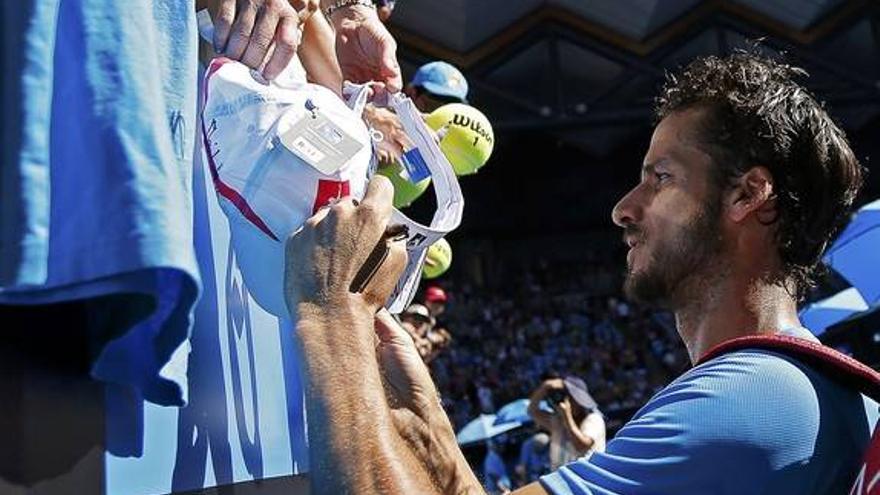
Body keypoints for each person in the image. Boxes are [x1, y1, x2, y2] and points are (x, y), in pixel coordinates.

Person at [283, 51, 874, 494]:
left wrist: (331, 313)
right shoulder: (803, 392)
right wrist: (430, 426)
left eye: (660, 178)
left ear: (748, 195)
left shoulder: (752, 400)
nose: (624, 208)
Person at [527, 376, 606, 469]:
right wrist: (545, 386)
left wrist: (567, 416)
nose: (568, 402)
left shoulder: (594, 419)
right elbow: (532, 410)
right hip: (560, 479)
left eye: (571, 398)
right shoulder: (558, 421)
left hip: (587, 479)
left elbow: (581, 446)